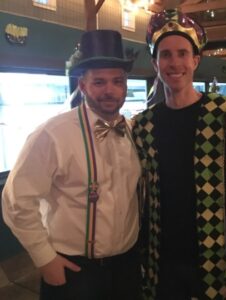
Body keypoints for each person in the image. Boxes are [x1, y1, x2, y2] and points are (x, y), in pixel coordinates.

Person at [133, 9, 226, 300]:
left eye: (183, 53)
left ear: (196, 60)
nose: (175, 63)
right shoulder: (143, 125)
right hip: (161, 264)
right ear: (155, 63)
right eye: (166, 55)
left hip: (215, 265)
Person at [2, 29, 142, 300]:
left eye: (118, 81)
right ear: (82, 85)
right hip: (74, 269)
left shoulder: (135, 131)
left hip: (127, 265)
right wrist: (45, 259)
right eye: (99, 82)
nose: (110, 90)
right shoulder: (52, 134)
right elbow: (16, 201)